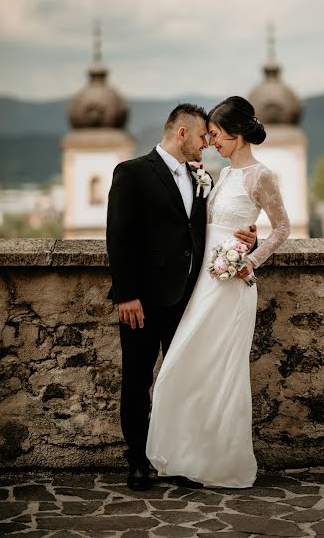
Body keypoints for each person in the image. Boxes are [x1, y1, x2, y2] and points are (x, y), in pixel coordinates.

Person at [106, 103, 257, 491]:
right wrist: (127, 295)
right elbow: (119, 238)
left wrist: (247, 240)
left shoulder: (200, 178)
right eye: (204, 136)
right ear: (182, 134)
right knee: (137, 380)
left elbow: (209, 230)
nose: (208, 144)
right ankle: (138, 461)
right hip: (142, 301)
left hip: (189, 300)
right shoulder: (133, 172)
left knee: (186, 380)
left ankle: (178, 460)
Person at [146, 96, 291, 488]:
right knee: (187, 362)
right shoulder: (223, 175)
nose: (211, 143)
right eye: (208, 135)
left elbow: (282, 228)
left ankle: (221, 462)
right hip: (205, 282)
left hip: (232, 285)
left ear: (238, 134)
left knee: (223, 369)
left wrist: (251, 259)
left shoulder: (261, 176)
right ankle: (188, 454)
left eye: (216, 135)